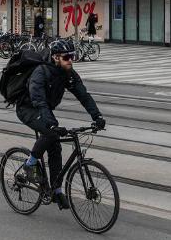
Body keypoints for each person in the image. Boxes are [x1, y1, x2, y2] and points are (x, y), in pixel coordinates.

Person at [16, 39, 105, 209]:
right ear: (56, 57)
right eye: (67, 57)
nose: (71, 60)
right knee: (51, 132)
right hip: (28, 108)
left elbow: (83, 95)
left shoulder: (68, 73)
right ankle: (30, 164)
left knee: (55, 146)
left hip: (44, 109)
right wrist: (51, 124)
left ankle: (56, 190)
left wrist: (97, 116)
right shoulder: (40, 73)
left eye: (73, 56)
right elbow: (39, 101)